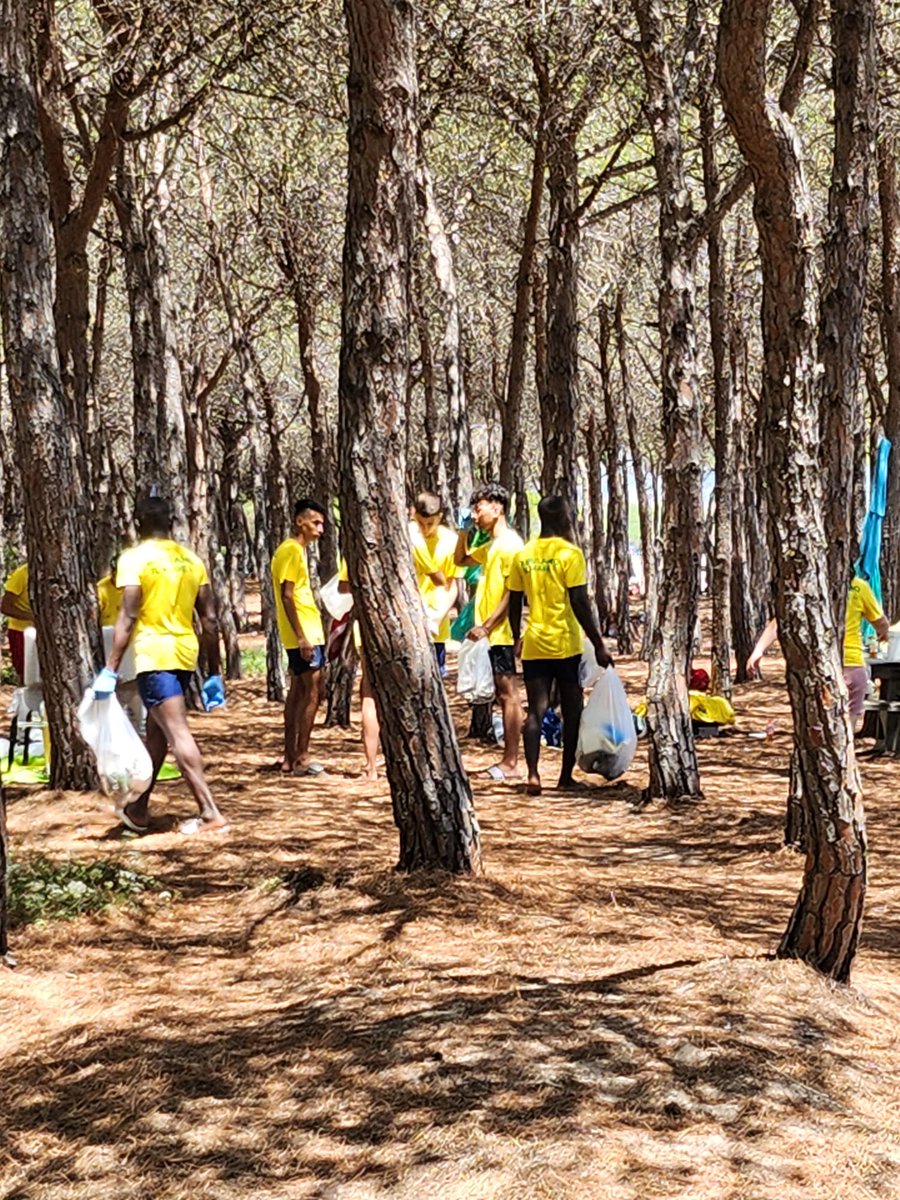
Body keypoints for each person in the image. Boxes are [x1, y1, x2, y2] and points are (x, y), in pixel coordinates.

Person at [94, 495, 227, 835]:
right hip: (185, 652)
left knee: (177, 731)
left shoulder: (133, 559)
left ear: (137, 522)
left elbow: (128, 615)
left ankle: (210, 812)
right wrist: (213, 671)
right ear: (171, 522)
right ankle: (138, 808)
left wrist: (110, 668)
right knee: (157, 734)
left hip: (155, 655)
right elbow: (210, 620)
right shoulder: (191, 560)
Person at [508, 495, 612, 795]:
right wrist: (598, 643)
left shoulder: (524, 554)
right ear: (562, 518)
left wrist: (516, 637)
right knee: (572, 710)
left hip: (535, 644)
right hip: (565, 644)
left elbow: (515, 599)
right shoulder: (570, 555)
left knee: (536, 712)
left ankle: (532, 775)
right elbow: (579, 601)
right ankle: (565, 778)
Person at [747, 573, 890, 725]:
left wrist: (759, 650)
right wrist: (884, 634)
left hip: (818, 666)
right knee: (847, 728)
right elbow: (881, 623)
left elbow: (781, 620)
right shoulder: (859, 587)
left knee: (817, 726)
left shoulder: (809, 584)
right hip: (851, 665)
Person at [454, 482, 525, 781]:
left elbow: (513, 591)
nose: (476, 513)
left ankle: (511, 761)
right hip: (489, 634)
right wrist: (463, 531)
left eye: (479, 507)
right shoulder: (492, 545)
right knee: (500, 692)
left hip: (501, 633)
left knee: (509, 694)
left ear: (497, 508)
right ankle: (507, 758)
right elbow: (460, 560)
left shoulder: (510, 544)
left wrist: (488, 625)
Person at [271, 498, 327, 775]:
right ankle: (302, 756)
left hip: (303, 630)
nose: (320, 529)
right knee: (312, 691)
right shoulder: (291, 551)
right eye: (315, 522)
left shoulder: (295, 551)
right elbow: (287, 594)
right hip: (304, 632)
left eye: (322, 524)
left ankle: (289, 756)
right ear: (299, 522)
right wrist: (303, 637)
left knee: (298, 691)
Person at [410, 491, 458, 675]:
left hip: (436, 625)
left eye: (430, 524)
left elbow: (451, 586)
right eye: (420, 523)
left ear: (440, 517)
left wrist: (437, 617)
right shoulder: (405, 536)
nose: (425, 528)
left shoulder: (450, 541)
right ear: (414, 514)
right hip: (408, 621)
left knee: (435, 680)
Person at [1, 561, 32, 682]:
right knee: (26, 674)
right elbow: (5, 607)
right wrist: (33, 617)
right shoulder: (22, 574)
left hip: (42, 632)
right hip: (21, 632)